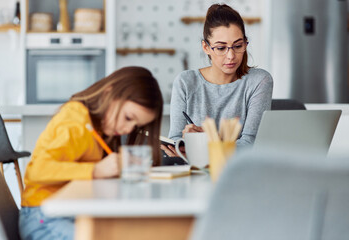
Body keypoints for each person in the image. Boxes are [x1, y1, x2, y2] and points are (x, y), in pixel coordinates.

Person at [19, 66, 163, 240]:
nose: (128, 129)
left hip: (72, 213)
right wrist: (95, 170)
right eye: (128, 118)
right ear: (108, 94)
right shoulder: (75, 120)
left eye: (135, 126)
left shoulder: (99, 129)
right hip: (43, 217)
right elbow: (36, 171)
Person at [162, 3, 273, 157]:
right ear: (206, 47)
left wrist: (203, 143)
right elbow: (175, 140)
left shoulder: (259, 81)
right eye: (221, 48)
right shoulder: (185, 82)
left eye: (238, 45)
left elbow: (250, 144)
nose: (231, 56)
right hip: (195, 173)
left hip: (241, 173)